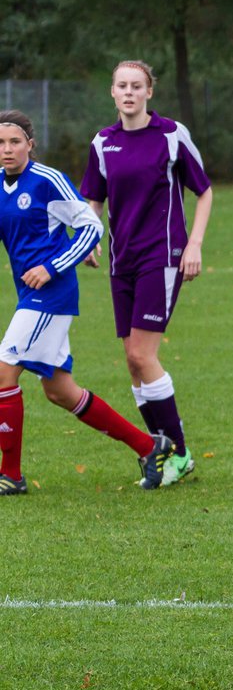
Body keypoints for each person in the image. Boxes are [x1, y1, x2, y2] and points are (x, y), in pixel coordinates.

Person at [0, 110, 174, 494]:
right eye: (0, 143)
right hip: (29, 296)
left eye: (14, 142)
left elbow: (91, 225)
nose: (7, 149)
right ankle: (149, 447)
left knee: (3, 373)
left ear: (30, 144)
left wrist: (53, 265)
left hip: (51, 294)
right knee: (60, 391)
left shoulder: (47, 181)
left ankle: (10, 476)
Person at [80, 60, 212, 486]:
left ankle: (180, 452)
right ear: (113, 92)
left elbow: (204, 191)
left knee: (142, 355)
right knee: (132, 364)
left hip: (163, 255)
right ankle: (162, 451)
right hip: (123, 261)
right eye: (122, 86)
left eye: (138, 85)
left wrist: (193, 244)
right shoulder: (103, 142)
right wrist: (89, 236)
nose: (130, 92)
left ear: (149, 92)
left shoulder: (171, 135)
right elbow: (93, 202)